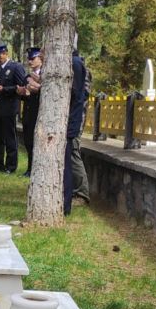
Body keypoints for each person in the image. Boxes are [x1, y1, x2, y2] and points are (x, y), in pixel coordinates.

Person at [0, 43, 26, 174]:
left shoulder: (15, 67)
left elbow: (21, 87)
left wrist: (4, 89)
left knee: (10, 138)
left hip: (9, 108)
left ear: (5, 53)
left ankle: (11, 165)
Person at [64, 49, 90, 216]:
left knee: (73, 152)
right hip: (73, 116)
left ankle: (82, 193)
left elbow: (79, 94)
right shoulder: (74, 63)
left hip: (75, 117)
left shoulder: (75, 64)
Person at [19, 47, 43, 176]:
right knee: (28, 142)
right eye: (29, 59)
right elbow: (24, 95)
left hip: (39, 113)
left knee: (37, 143)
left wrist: (37, 89)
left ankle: (37, 170)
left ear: (40, 58)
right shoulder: (27, 76)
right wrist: (22, 92)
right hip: (28, 113)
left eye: (33, 58)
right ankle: (29, 168)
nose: (30, 61)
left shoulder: (45, 74)